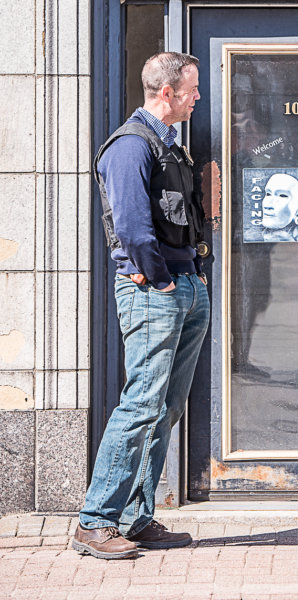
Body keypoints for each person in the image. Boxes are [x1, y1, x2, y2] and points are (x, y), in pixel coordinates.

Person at [73, 52, 211, 560]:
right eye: (192, 89)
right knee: (140, 404)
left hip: (183, 284)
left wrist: (191, 278)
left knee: (167, 406)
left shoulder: (172, 146)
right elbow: (131, 227)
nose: (198, 97)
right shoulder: (132, 147)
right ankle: (95, 521)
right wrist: (159, 280)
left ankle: (134, 516)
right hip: (157, 289)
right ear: (168, 93)